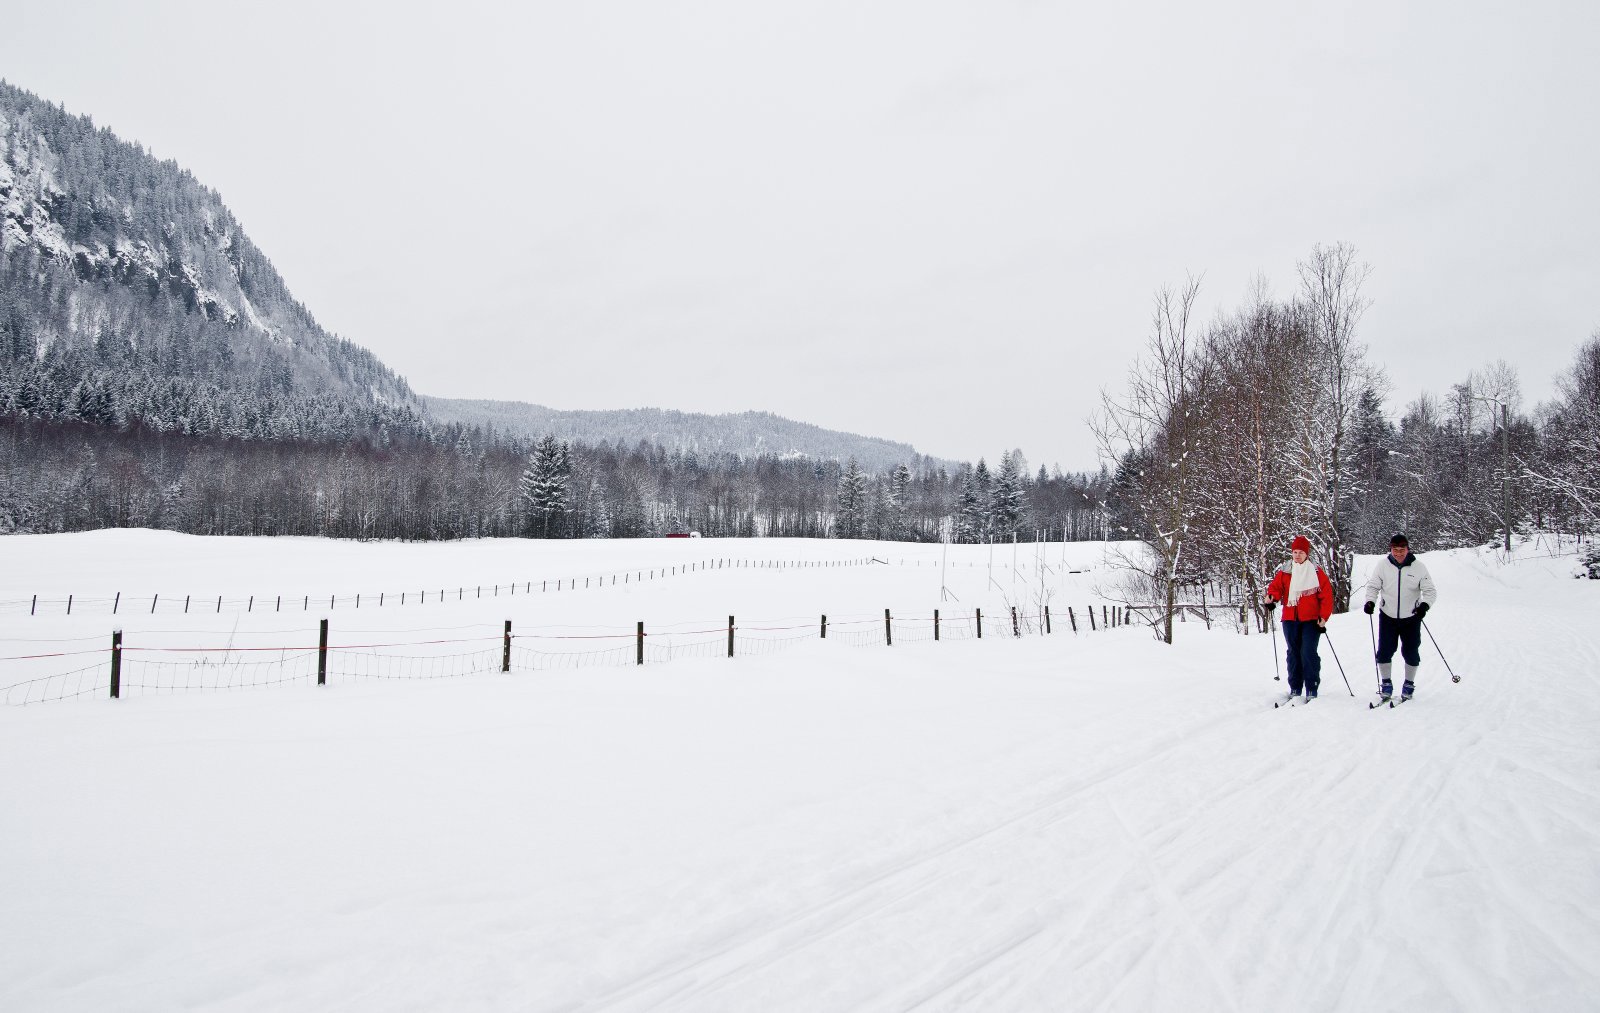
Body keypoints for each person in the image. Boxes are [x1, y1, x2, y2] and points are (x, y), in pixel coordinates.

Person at [1361, 533, 1437, 702]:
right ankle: (1386, 683)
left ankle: (1409, 684)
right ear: (1391, 549)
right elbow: (1373, 586)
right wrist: (1370, 602)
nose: (1398, 553)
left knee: (1410, 652)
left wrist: (1424, 606)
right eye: (1395, 550)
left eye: (1402, 550)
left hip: (1411, 617)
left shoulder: (1419, 567)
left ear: (1407, 549)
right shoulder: (1382, 565)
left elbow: (1430, 591)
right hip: (1388, 616)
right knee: (1384, 651)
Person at [1264, 535, 1334, 700]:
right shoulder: (1286, 571)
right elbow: (1276, 588)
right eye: (1295, 552)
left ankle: (1312, 687)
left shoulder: (1316, 572)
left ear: (1306, 554)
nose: (1297, 555)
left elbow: (1326, 597)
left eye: (1300, 552)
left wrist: (1323, 617)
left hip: (1311, 620)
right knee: (1293, 653)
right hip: (1290, 618)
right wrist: (1271, 598)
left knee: (1308, 652)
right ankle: (1295, 687)